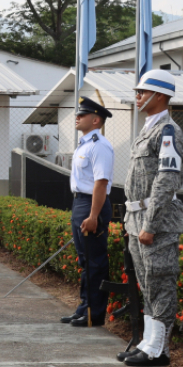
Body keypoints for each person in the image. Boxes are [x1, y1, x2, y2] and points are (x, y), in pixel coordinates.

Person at [120, 71, 183, 366]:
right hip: (138, 218)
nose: (137, 96)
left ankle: (158, 349)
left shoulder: (168, 131)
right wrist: (131, 222)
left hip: (156, 220)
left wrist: (150, 224)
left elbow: (165, 181)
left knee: (159, 283)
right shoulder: (148, 129)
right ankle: (148, 343)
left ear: (159, 95)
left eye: (142, 91)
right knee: (147, 284)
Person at [62, 96, 113, 328]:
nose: (77, 117)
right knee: (85, 260)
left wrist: (94, 216)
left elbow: (101, 182)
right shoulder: (85, 144)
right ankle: (84, 308)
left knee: (95, 262)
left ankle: (94, 314)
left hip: (93, 203)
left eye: (82, 115)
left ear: (95, 120)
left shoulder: (99, 145)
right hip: (80, 202)